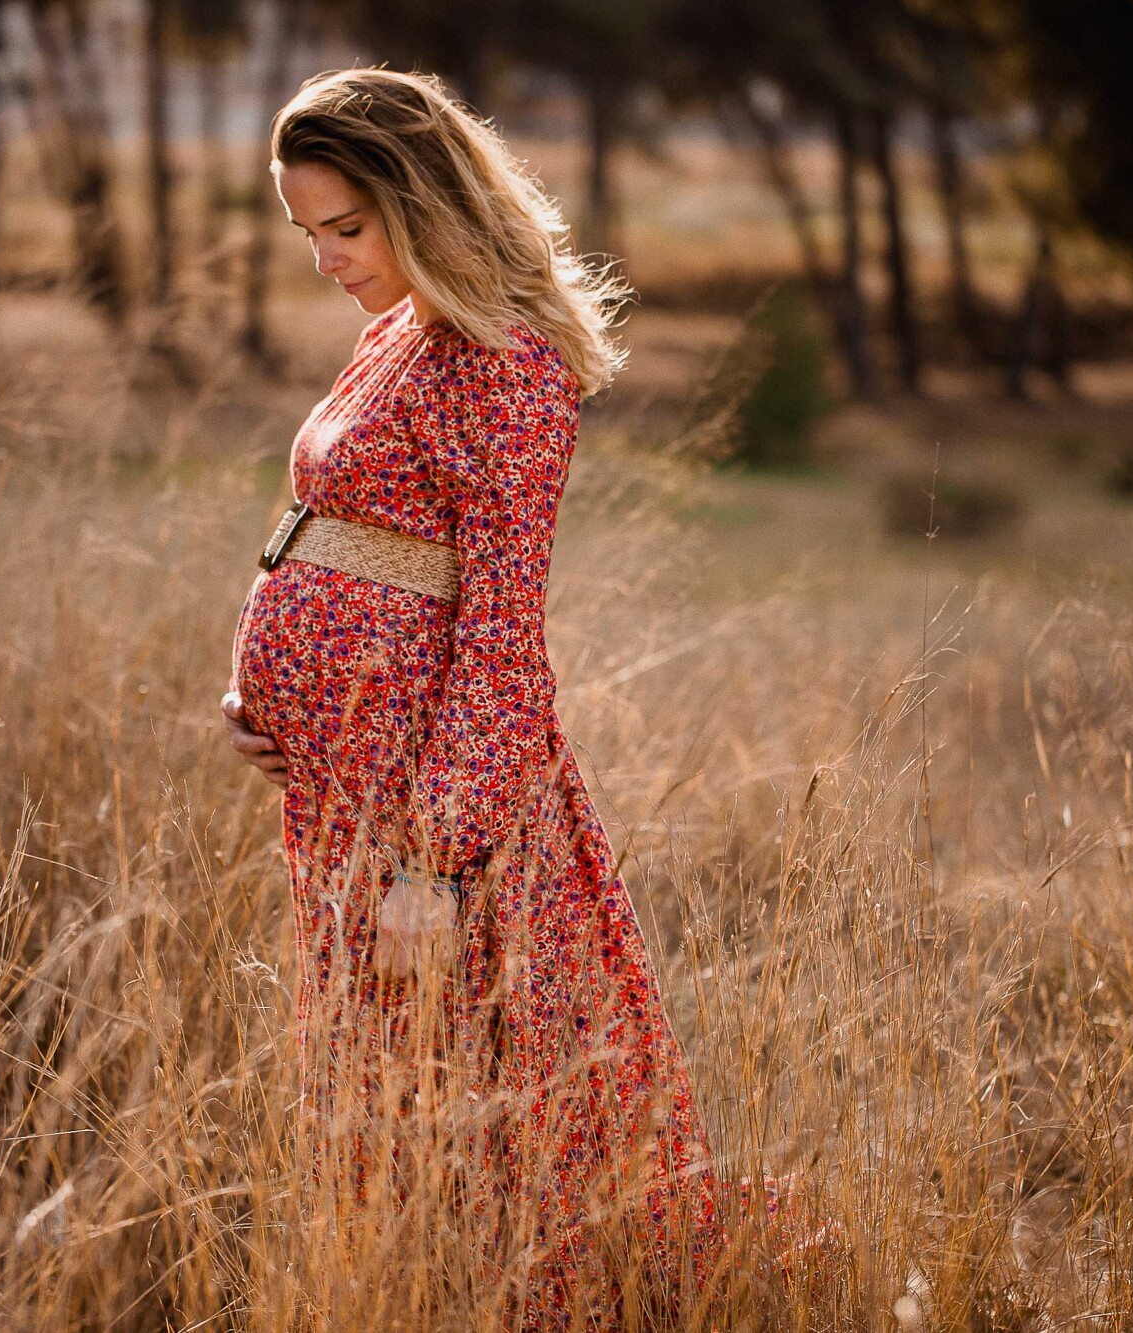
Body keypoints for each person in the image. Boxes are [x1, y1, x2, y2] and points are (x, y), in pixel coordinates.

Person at [220, 68, 725, 1327]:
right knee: (379, 1089)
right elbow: (345, 533)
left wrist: (434, 866)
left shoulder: (507, 366)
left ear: (423, 198)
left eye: (346, 227)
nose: (326, 260)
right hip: (343, 787)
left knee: (474, 1094)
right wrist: (262, 694)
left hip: (431, 815)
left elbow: (500, 633)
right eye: (306, 233)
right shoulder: (400, 331)